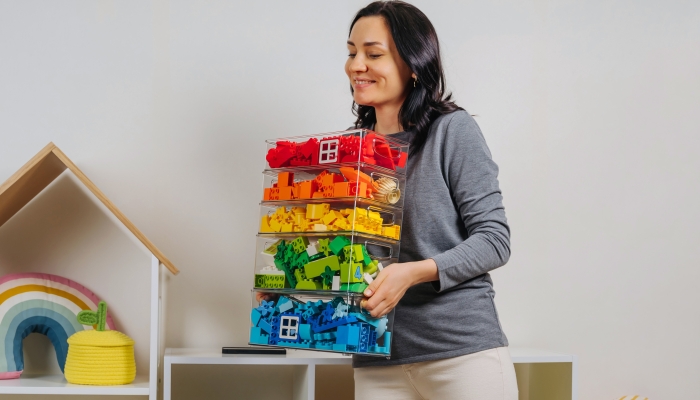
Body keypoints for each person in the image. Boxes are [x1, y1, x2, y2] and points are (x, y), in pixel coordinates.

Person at [345, 2, 518, 399]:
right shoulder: (351, 151)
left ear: (414, 64)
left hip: (460, 355)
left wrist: (412, 272)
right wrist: (291, 287)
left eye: (373, 54)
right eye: (352, 52)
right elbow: (344, 248)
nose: (357, 65)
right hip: (375, 357)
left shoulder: (452, 131)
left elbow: (494, 239)